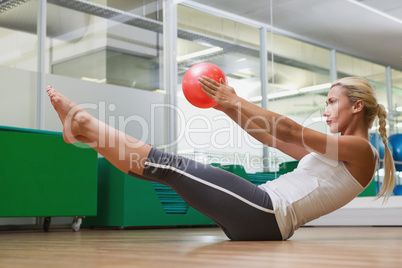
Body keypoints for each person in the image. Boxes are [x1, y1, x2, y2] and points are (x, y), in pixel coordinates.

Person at [46, 76, 395, 241]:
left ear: (357, 105)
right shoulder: (338, 152)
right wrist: (226, 106)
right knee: (164, 172)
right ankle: (87, 133)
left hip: (267, 212)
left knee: (173, 167)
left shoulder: (363, 152)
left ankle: (84, 122)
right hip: (262, 216)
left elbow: (288, 129)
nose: (326, 108)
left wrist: (235, 98)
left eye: (332, 101)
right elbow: (268, 135)